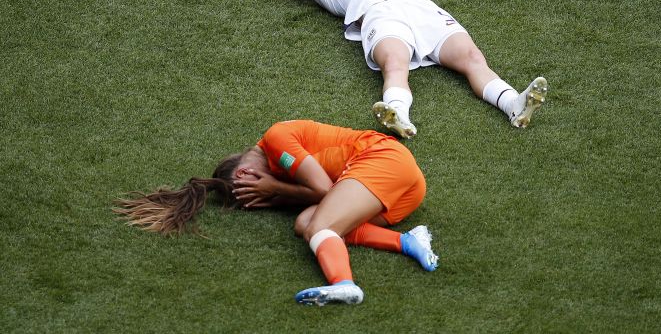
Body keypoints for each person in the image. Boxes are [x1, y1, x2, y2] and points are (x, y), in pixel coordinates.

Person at [277, 0, 548, 138]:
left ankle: (513, 103)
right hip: (381, 15)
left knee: (473, 57)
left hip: (422, 10)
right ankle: (399, 116)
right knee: (395, 64)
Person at [115, 120, 438, 306]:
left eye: (253, 192)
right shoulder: (279, 172)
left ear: (243, 175)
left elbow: (324, 190)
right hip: (399, 194)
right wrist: (276, 193)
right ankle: (409, 240)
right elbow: (323, 198)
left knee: (320, 225)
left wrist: (275, 191)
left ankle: (344, 284)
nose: (264, 191)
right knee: (305, 223)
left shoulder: (276, 140)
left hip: (383, 161)